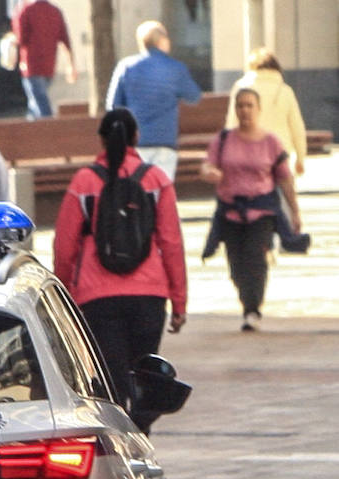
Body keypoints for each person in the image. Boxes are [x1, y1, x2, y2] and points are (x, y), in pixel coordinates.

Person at [53, 109, 187, 430]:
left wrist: (64, 298)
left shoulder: (85, 182)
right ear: (136, 137)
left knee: (111, 380)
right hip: (149, 296)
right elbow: (171, 244)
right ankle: (140, 435)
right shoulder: (156, 180)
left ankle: (119, 442)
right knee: (144, 376)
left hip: (97, 297)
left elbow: (64, 246)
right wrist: (179, 301)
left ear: (101, 139)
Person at [201, 88, 302, 332]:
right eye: (240, 106)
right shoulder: (223, 140)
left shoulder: (270, 142)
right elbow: (207, 165)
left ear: (258, 109)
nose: (244, 110)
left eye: (249, 105)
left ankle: (252, 309)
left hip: (262, 211)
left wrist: (294, 211)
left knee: (255, 259)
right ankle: (247, 300)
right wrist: (210, 173)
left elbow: (285, 179)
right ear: (235, 110)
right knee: (236, 264)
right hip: (230, 212)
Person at [225, 47, 311, 253]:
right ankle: (288, 238)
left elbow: (231, 122)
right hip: (280, 152)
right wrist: (301, 157)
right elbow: (297, 126)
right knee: (284, 195)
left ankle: (261, 239)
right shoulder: (285, 90)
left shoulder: (241, 87)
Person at [105, 20, 203, 183]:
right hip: (164, 140)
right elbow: (194, 96)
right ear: (161, 41)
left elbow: (113, 105)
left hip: (134, 142)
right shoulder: (175, 68)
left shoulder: (126, 66)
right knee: (160, 191)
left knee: (135, 192)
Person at [9, 0, 77, 119]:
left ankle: (50, 132)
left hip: (31, 64)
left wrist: (10, 42)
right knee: (34, 104)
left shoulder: (24, 10)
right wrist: (71, 64)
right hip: (49, 63)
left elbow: (20, 38)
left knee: (40, 103)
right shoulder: (54, 10)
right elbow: (65, 39)